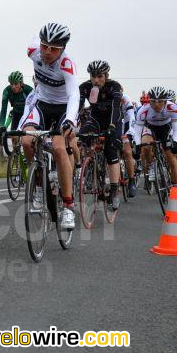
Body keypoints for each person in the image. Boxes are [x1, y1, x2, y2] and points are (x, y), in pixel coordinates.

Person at [19, 23, 79, 229]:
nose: (47, 52)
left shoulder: (67, 64)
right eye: (45, 46)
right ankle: (37, 184)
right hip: (42, 104)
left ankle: (69, 207)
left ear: (62, 49)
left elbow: (74, 95)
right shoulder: (33, 50)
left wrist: (70, 120)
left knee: (59, 148)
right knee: (26, 141)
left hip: (63, 108)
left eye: (54, 49)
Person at [78, 60, 125, 210]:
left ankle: (113, 190)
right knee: (84, 135)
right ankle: (90, 164)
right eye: (93, 76)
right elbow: (78, 107)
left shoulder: (114, 86)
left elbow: (116, 107)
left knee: (111, 150)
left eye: (99, 76)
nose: (96, 80)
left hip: (113, 119)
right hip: (96, 119)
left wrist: (112, 126)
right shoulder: (85, 87)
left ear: (106, 76)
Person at [133, 86, 177, 206]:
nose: (156, 105)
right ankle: (151, 165)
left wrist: (175, 142)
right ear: (149, 101)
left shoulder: (172, 107)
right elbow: (137, 131)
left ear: (165, 101)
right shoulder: (143, 110)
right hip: (150, 128)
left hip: (166, 129)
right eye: (153, 101)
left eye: (160, 101)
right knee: (146, 145)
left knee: (171, 158)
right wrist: (137, 145)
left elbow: (176, 129)